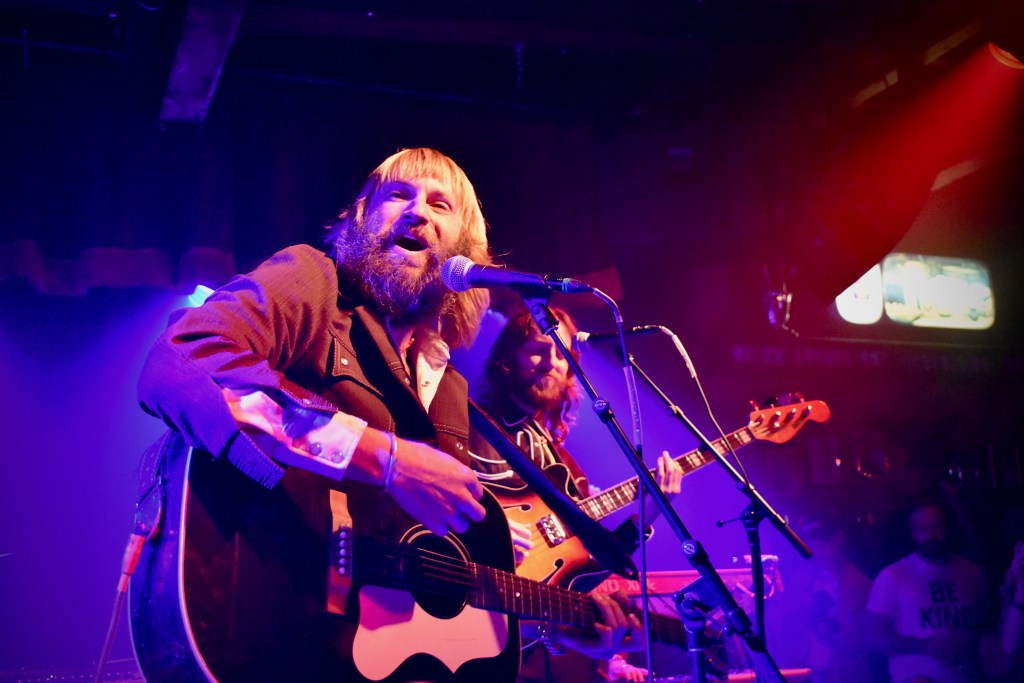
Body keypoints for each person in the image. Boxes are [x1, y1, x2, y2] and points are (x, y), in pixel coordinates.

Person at [135, 148, 639, 681]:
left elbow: (431, 575)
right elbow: (182, 358)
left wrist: (554, 627)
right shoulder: (313, 283)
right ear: (359, 219)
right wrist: (386, 458)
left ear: (464, 253)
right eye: (398, 194)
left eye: (440, 204)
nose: (417, 211)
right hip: (252, 606)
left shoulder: (449, 389)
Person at [469, 304, 684, 683]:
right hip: (462, 605)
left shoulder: (566, 468)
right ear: (505, 358)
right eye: (537, 348)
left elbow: (585, 568)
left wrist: (648, 514)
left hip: (517, 650)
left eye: (560, 352)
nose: (550, 361)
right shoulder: (471, 425)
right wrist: (487, 530)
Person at [864, 499, 991, 683]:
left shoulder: (973, 573)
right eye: (921, 529)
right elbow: (872, 636)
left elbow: (986, 628)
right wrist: (924, 646)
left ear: (948, 526)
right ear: (912, 533)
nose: (930, 534)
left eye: (936, 525)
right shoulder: (894, 575)